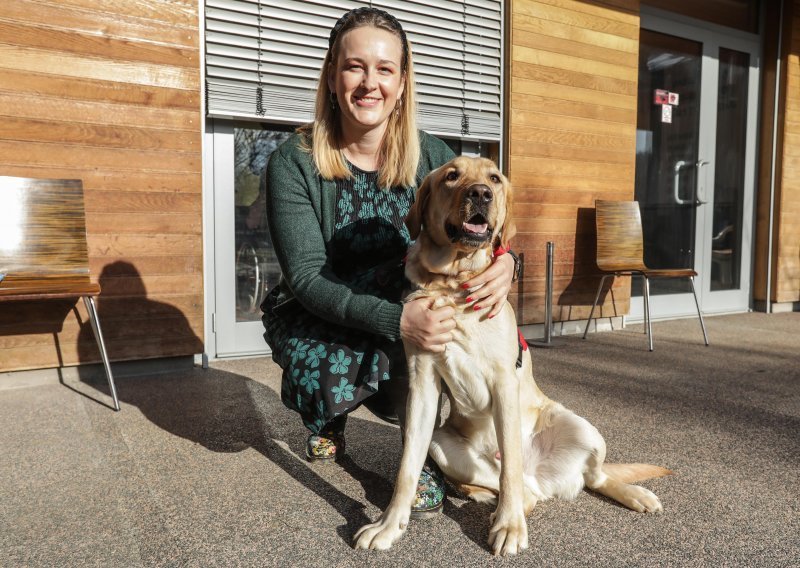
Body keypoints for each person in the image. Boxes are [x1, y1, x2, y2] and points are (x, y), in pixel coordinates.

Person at [261, 7, 516, 518]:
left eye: (384, 69)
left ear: (402, 83)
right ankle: (328, 417)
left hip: (404, 292)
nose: (369, 83)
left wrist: (507, 262)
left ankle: (414, 452)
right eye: (355, 67)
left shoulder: (432, 157)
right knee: (320, 376)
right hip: (322, 308)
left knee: (431, 333)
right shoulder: (294, 161)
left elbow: (483, 209)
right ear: (333, 78)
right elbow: (307, 277)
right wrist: (398, 321)